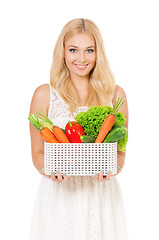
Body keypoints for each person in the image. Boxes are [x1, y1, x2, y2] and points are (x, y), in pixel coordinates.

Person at [29, 18, 128, 240]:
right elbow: (37, 152)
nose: (81, 58)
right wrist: (49, 168)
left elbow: (120, 153)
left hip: (100, 194)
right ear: (62, 52)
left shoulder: (115, 94)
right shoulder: (44, 94)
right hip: (59, 193)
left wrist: (112, 167)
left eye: (89, 50)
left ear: (98, 53)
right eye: (73, 50)